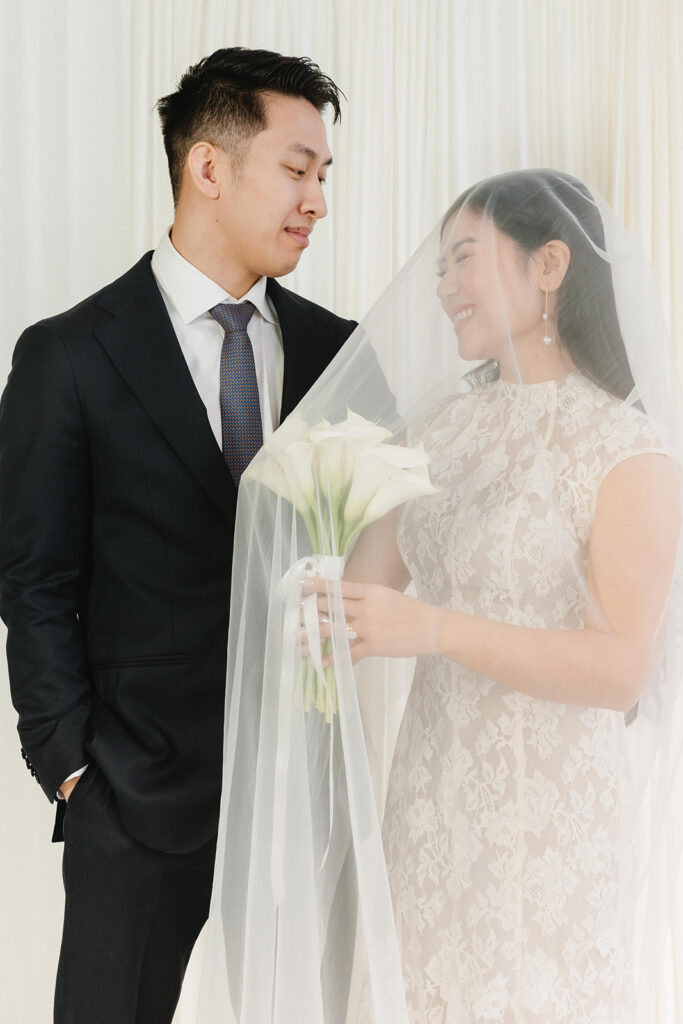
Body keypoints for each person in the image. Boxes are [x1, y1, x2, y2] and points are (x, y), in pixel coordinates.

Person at [198, 170, 683, 1022]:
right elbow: (363, 597)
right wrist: (312, 560)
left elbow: (618, 671)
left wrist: (431, 628)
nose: (442, 286)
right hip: (427, 805)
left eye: (464, 258)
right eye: (439, 266)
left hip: (545, 826)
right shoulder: (441, 429)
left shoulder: (625, 448)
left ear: (549, 265)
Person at [0, 46, 356, 1024]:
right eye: (296, 169)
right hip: (132, 797)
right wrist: (70, 766)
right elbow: (32, 577)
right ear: (208, 166)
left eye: (323, 175)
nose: (317, 200)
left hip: (301, 801)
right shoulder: (70, 355)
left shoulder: (337, 351)